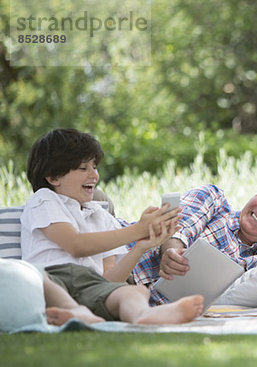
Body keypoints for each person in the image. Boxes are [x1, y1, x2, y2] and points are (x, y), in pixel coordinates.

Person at [20, 129, 204, 324]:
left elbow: (109, 280)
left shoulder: (101, 215)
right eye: (83, 168)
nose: (94, 175)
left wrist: (142, 245)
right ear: (53, 177)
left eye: (94, 166)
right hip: (51, 276)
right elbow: (76, 245)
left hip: (92, 285)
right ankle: (74, 311)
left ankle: (142, 315)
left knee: (135, 291)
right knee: (35, 276)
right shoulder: (44, 200)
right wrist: (138, 229)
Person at [132, 176, 257, 305]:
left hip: (133, 300)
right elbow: (180, 227)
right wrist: (171, 251)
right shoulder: (214, 199)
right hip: (118, 256)